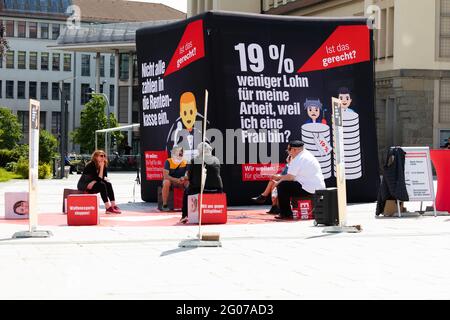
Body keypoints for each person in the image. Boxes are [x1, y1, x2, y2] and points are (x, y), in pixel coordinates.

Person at [274, 140, 325, 220]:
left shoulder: (298, 159)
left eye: (289, 150)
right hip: (316, 187)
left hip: (310, 189)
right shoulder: (306, 154)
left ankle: (285, 214)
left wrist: (277, 178)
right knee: (285, 184)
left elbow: (290, 177)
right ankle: (284, 211)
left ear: (294, 149)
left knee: (282, 186)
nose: (288, 152)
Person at [180, 142, 223, 223]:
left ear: (199, 151)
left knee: (186, 191)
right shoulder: (216, 160)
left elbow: (189, 177)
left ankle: (184, 215)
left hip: (199, 190)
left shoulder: (193, 160)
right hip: (217, 190)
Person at [77, 150, 121, 214]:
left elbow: (103, 178)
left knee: (108, 184)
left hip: (93, 184)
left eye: (104, 156)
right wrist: (101, 169)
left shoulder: (103, 164)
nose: (103, 157)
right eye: (101, 156)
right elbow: (98, 179)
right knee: (102, 185)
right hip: (85, 185)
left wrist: (102, 168)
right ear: (96, 157)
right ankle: (108, 207)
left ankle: (113, 205)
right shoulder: (91, 165)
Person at [160, 146, 189, 212]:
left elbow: (188, 175)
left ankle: (188, 205)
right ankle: (164, 205)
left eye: (181, 152)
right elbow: (166, 176)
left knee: (188, 183)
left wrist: (183, 178)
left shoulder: (186, 161)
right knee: (166, 182)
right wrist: (176, 180)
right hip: (171, 181)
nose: (180, 153)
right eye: (178, 151)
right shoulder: (168, 161)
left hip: (181, 181)